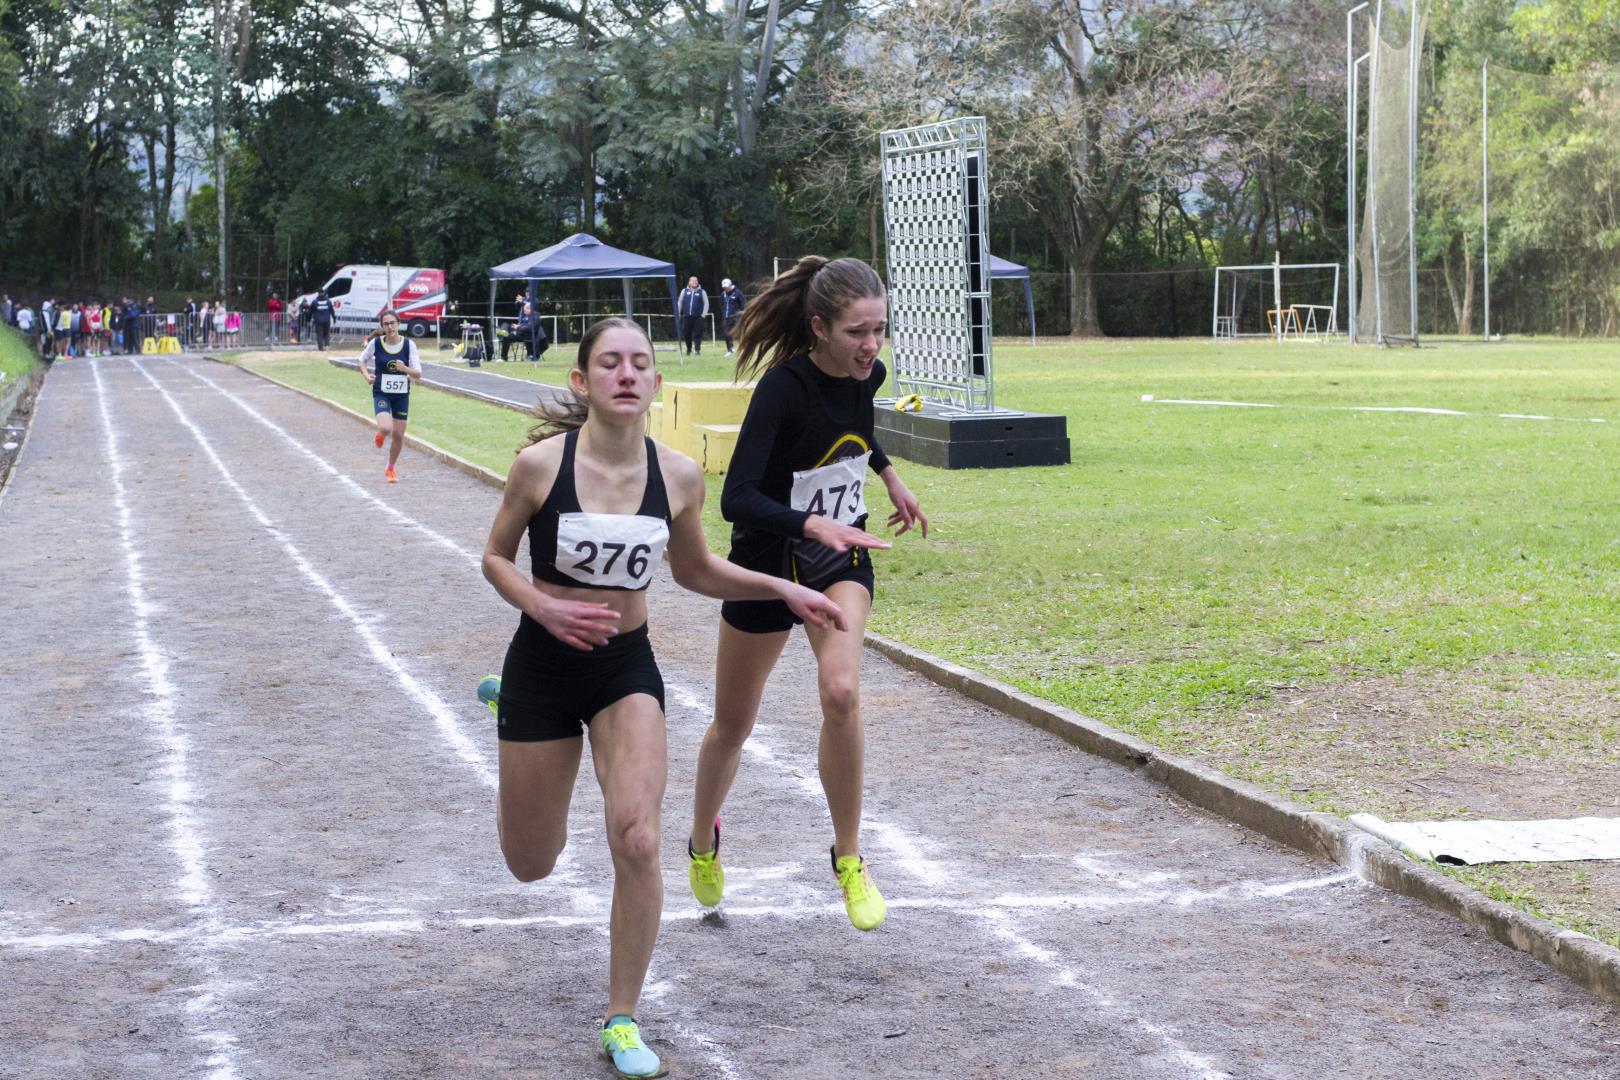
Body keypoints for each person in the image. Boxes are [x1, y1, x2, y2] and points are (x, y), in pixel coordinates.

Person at [479, 316, 845, 1079]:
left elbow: (696, 571)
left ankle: (622, 1019)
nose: (625, 374)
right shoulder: (542, 467)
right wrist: (542, 606)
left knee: (638, 837)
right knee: (530, 863)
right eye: (608, 362)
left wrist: (783, 584)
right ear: (583, 382)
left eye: (639, 363)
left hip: (623, 669)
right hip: (542, 666)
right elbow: (494, 557)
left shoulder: (677, 475)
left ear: (654, 383)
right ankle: (507, 709)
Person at [684, 256, 928, 933]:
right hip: (767, 566)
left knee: (842, 692)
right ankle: (702, 837)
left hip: (838, 558)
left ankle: (849, 858)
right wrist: (806, 520)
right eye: (857, 332)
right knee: (733, 724)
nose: (871, 347)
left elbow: (854, 432)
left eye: (879, 330)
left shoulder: (867, 376)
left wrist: (890, 476)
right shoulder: (781, 390)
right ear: (818, 328)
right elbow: (737, 498)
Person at [358, 310, 422, 483]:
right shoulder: (376, 343)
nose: (390, 327)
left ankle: (390, 468)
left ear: (398, 323)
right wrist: (366, 376)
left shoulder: (409, 345)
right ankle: (381, 432)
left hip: (401, 395)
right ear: (382, 326)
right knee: (387, 428)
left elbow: (418, 374)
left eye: (392, 323)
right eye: (386, 324)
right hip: (382, 392)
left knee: (399, 436)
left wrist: (405, 369)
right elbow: (361, 360)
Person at [677, 276, 708, 356]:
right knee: (687, 334)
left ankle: (697, 350)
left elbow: (706, 303)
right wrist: (678, 313)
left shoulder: (702, 291)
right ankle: (689, 349)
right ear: (689, 282)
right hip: (687, 316)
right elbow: (680, 302)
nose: (695, 282)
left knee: (697, 334)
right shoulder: (684, 291)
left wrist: (703, 315)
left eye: (696, 280)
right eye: (693, 280)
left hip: (698, 317)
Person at [719, 277, 746, 356]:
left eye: (727, 287)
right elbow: (721, 305)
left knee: (739, 333)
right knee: (727, 333)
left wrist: (742, 313)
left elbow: (744, 303)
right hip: (726, 317)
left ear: (730, 285)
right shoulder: (723, 294)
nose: (725, 289)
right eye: (724, 287)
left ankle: (743, 349)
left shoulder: (738, 293)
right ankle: (730, 350)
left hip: (737, 317)